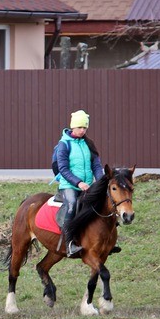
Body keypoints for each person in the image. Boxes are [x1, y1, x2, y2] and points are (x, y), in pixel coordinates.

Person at [54, 109, 103, 258]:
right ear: (73, 127)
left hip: (87, 185)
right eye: (80, 127)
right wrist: (78, 182)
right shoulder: (64, 144)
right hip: (69, 185)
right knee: (72, 204)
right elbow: (63, 168)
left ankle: (106, 241)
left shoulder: (89, 143)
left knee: (103, 202)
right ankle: (69, 244)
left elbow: (96, 165)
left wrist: (101, 182)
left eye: (85, 128)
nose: (82, 130)